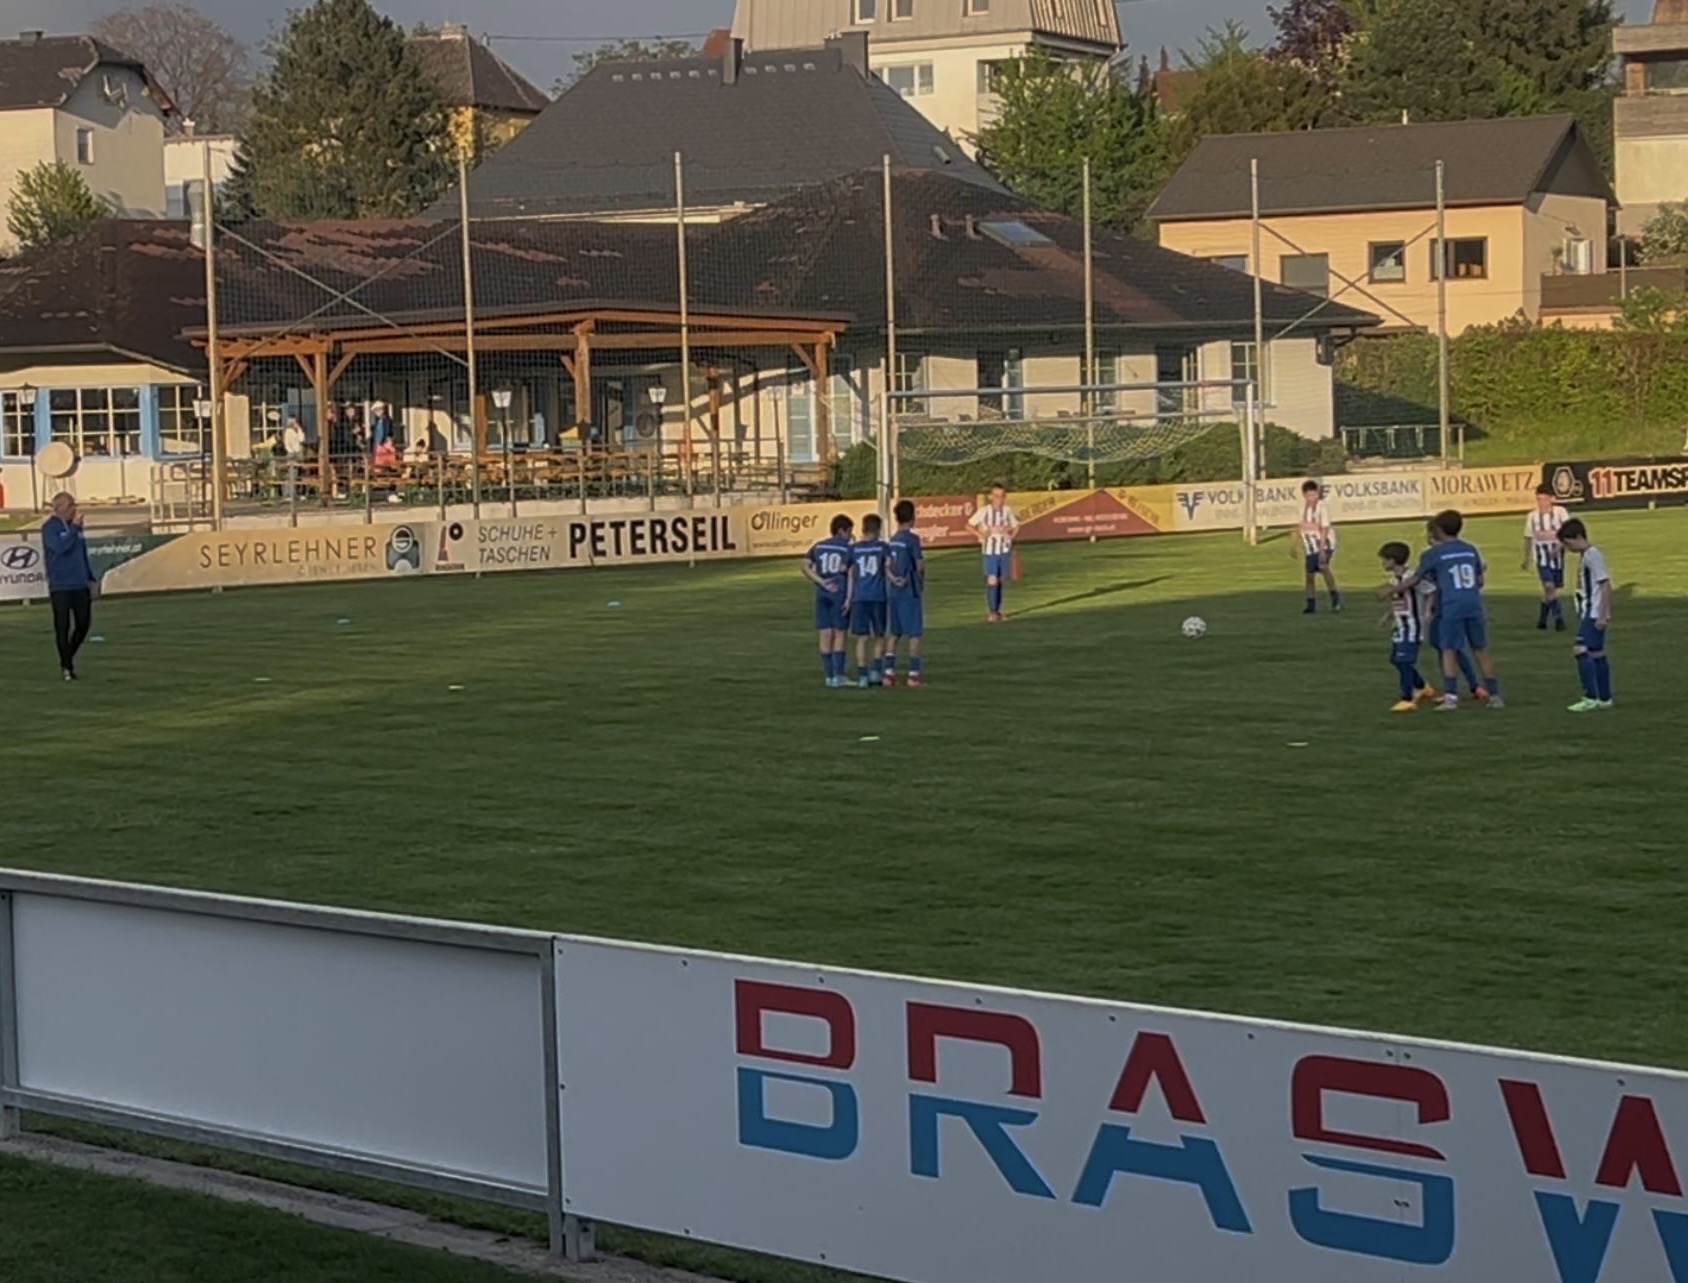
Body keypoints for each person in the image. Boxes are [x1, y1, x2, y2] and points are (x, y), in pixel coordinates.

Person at [1400, 509, 1503, 711]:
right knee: (1480, 650)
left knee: (1449, 650)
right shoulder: (1470, 549)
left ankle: (1451, 697)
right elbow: (1479, 580)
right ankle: (1495, 695)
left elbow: (1415, 579)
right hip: (1473, 602)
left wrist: (1392, 590)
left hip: (1451, 605)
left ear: (1438, 529)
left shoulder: (1433, 554)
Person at [1418, 519, 1485, 704]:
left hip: (1445, 606)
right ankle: (1469, 687)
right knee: (1445, 646)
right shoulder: (1463, 550)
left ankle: (1462, 689)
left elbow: (1429, 584)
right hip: (1452, 604)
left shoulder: (1433, 555)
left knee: (1448, 647)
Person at [1559, 518, 1613, 712]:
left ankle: (1590, 697)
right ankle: (1605, 698)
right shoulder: (1588, 555)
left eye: (1568, 543)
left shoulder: (1592, 555)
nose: (1568, 548)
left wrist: (1602, 614)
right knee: (1597, 653)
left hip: (1593, 613)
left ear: (1578, 537)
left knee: (1580, 650)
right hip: (1589, 611)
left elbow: (1605, 584)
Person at [41, 492, 96, 682]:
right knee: (62, 626)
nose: (74, 508)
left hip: (80, 583)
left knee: (83, 624)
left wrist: (90, 578)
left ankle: (67, 657)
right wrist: (73, 529)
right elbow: (60, 548)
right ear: (60, 507)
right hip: (61, 585)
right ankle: (67, 667)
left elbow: (82, 553)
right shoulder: (50, 528)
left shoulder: (77, 529)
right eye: (70, 505)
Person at [802, 514, 854, 688]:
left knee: (825, 632)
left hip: (822, 590)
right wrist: (849, 598)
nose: (850, 535)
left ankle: (829, 676)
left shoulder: (819, 546)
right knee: (839, 632)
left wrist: (819, 581)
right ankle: (838, 675)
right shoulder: (847, 548)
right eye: (849, 531)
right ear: (841, 531)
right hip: (838, 589)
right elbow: (851, 573)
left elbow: (804, 565)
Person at [1377, 542, 1429, 712]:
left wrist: (1428, 611)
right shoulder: (1394, 580)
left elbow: (1432, 590)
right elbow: (1400, 601)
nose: (1382, 564)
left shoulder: (1413, 576)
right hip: (1401, 626)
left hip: (1413, 625)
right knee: (1396, 659)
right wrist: (1390, 614)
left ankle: (1408, 697)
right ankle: (1421, 686)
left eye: (1384, 560)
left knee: (1403, 660)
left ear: (1393, 560)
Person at [845, 513, 890, 688]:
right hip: (878, 596)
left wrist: (849, 598)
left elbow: (848, 571)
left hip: (859, 597)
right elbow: (888, 568)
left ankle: (862, 676)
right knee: (879, 636)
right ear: (878, 529)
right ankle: (875, 672)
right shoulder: (882, 547)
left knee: (862, 638)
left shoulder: (854, 549)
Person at [884, 499, 925, 688]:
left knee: (895, 632)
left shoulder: (892, 540)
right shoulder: (912, 539)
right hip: (910, 591)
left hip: (894, 591)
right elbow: (919, 564)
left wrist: (893, 579)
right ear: (912, 518)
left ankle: (889, 673)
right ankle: (914, 675)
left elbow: (888, 565)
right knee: (914, 633)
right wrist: (919, 579)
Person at [1521, 485, 1570, 632]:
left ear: (1552, 499)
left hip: (1558, 559)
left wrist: (1559, 547)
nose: (1541, 503)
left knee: (1551, 591)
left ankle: (1542, 620)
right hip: (1542, 559)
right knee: (1549, 587)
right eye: (1538, 499)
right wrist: (1526, 558)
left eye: (1543, 499)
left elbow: (1568, 532)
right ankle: (1559, 619)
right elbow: (1528, 538)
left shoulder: (1561, 513)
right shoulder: (1532, 517)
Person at [969, 484, 1019, 622]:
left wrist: (1010, 537)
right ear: (991, 497)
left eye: (1002, 496)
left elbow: (1016, 526)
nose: (999, 499)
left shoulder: (1007, 511)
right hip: (990, 551)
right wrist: (981, 535)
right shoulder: (985, 511)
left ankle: (998, 611)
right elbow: (968, 525)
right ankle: (992, 613)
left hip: (1003, 550)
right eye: (996, 496)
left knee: (1001, 580)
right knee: (992, 580)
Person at [1298, 479, 1341, 614]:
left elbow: (1324, 529)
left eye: (1314, 494)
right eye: (1309, 495)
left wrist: (1322, 550)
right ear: (1304, 495)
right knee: (1309, 575)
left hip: (1324, 543)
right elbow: (1300, 527)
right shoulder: (1303, 508)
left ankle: (1335, 599)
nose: (1312, 497)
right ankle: (1311, 604)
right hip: (1310, 545)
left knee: (1323, 568)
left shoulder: (1322, 507)